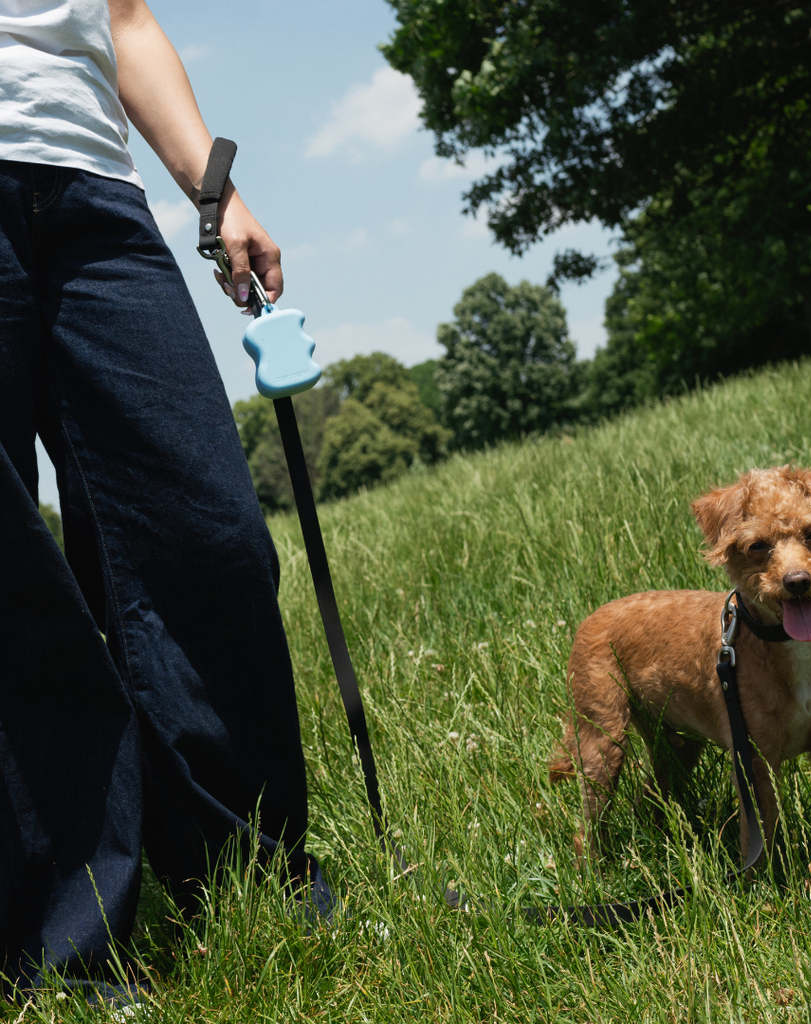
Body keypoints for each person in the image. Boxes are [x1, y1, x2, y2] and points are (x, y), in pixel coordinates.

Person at [0, 0, 328, 992]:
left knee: (207, 536)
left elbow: (124, 18)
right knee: (16, 591)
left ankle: (249, 882)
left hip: (94, 191)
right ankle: (59, 951)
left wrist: (214, 189)